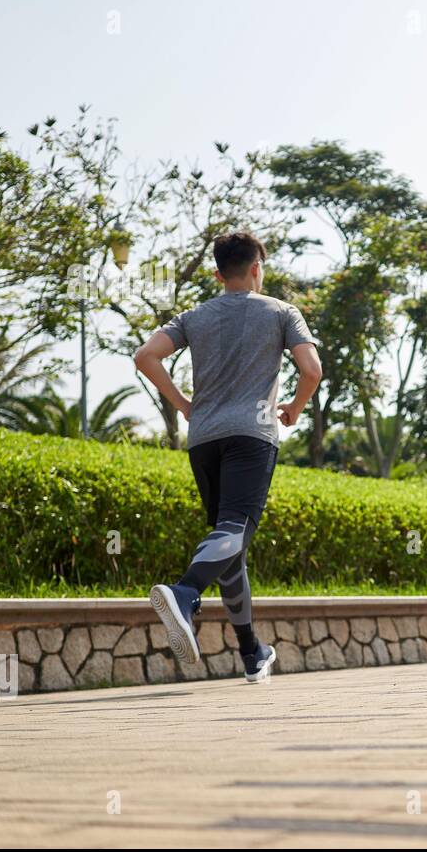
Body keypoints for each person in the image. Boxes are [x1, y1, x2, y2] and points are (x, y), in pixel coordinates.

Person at [134, 231, 322, 683]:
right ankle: (185, 592)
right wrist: (295, 408)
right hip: (251, 435)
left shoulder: (194, 315)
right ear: (257, 268)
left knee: (228, 543)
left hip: (204, 439)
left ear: (218, 273)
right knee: (234, 531)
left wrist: (182, 403)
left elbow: (145, 356)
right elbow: (312, 370)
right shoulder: (281, 311)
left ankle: (251, 651)